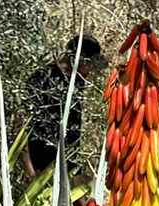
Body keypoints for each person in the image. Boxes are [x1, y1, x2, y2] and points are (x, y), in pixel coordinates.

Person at [21, 34, 109, 178]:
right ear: (77, 60)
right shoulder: (41, 80)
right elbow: (21, 126)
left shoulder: (78, 82)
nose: (91, 71)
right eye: (89, 65)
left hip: (67, 169)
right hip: (40, 171)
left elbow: (72, 136)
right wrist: (28, 170)